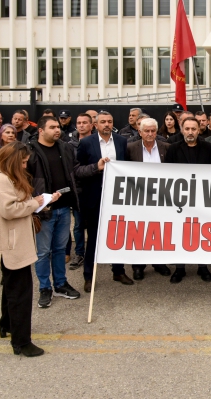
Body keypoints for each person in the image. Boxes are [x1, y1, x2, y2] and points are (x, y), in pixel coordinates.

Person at [0, 142, 54, 357]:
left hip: (10, 242)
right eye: (21, 162)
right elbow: (9, 209)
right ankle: (21, 342)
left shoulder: (1, 175)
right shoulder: (1, 179)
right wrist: (35, 203)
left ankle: (7, 325)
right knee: (20, 292)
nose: (24, 166)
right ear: (12, 161)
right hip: (10, 244)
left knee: (11, 288)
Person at [27, 116, 82, 308]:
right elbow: (26, 179)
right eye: (52, 127)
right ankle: (44, 287)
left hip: (64, 208)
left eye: (58, 127)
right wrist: (37, 201)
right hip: (44, 211)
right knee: (43, 252)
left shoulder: (65, 147)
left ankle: (60, 283)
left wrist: (96, 167)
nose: (57, 130)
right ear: (41, 130)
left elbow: (74, 171)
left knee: (60, 249)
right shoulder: (31, 150)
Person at [74, 111, 133, 292]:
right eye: (103, 122)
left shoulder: (122, 141)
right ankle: (89, 276)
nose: (106, 124)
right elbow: (77, 170)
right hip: (95, 197)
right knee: (93, 238)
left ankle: (118, 270)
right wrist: (96, 168)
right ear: (95, 125)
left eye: (109, 121)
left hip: (118, 197)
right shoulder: (85, 143)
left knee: (117, 235)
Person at [164, 117, 211, 283]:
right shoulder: (173, 149)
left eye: (193, 129)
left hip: (202, 198)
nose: (190, 132)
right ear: (182, 130)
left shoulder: (209, 148)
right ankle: (180, 268)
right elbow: (167, 172)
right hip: (180, 199)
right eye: (187, 129)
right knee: (181, 233)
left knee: (201, 233)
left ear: (199, 130)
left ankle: (203, 267)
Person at [125, 118, 172, 280]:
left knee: (159, 231)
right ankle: (138, 266)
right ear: (140, 132)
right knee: (139, 232)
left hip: (161, 198)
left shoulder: (166, 148)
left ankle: (159, 263)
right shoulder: (130, 148)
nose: (150, 134)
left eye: (153, 131)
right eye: (147, 131)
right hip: (139, 199)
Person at [66, 113, 93, 270]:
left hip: (94, 188)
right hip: (77, 190)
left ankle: (95, 252)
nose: (81, 125)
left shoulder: (97, 142)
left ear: (91, 125)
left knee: (96, 224)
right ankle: (80, 253)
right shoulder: (69, 145)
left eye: (85, 122)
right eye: (79, 122)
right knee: (78, 225)